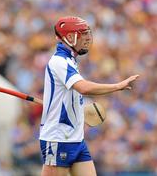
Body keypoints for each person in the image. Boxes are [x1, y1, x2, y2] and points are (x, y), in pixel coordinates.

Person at [39, 16, 139, 176]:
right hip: (58, 139)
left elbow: (69, 95)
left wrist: (77, 110)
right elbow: (84, 88)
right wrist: (117, 86)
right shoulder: (59, 61)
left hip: (76, 139)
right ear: (69, 37)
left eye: (87, 33)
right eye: (82, 34)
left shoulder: (70, 60)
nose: (87, 38)